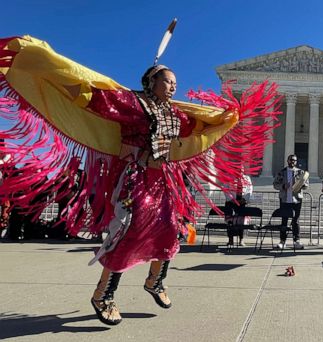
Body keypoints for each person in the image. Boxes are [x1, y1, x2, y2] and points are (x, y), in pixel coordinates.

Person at [0, 35, 280, 325]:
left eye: (175, 82)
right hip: (135, 179)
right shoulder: (132, 103)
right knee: (128, 233)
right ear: (151, 82)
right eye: (168, 81)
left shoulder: (175, 114)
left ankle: (155, 281)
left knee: (174, 228)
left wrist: (227, 116)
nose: (173, 85)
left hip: (163, 180)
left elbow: (200, 125)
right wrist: (54, 73)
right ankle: (103, 294)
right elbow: (93, 98)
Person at [273, 154, 308, 250]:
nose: (292, 161)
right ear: (287, 161)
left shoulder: (300, 172)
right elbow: (275, 184)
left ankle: (296, 241)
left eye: (294, 160)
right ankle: (282, 241)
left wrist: (301, 185)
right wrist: (283, 186)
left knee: (295, 221)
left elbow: (306, 185)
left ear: (296, 162)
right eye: (291, 160)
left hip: (297, 200)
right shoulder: (282, 172)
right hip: (285, 199)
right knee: (284, 220)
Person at [224, 171, 253, 246]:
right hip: (231, 203)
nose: (240, 170)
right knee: (230, 222)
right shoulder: (229, 177)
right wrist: (232, 199)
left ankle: (241, 239)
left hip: (242, 203)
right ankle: (230, 240)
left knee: (241, 222)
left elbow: (249, 189)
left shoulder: (247, 178)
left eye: (241, 168)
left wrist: (244, 199)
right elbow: (225, 189)